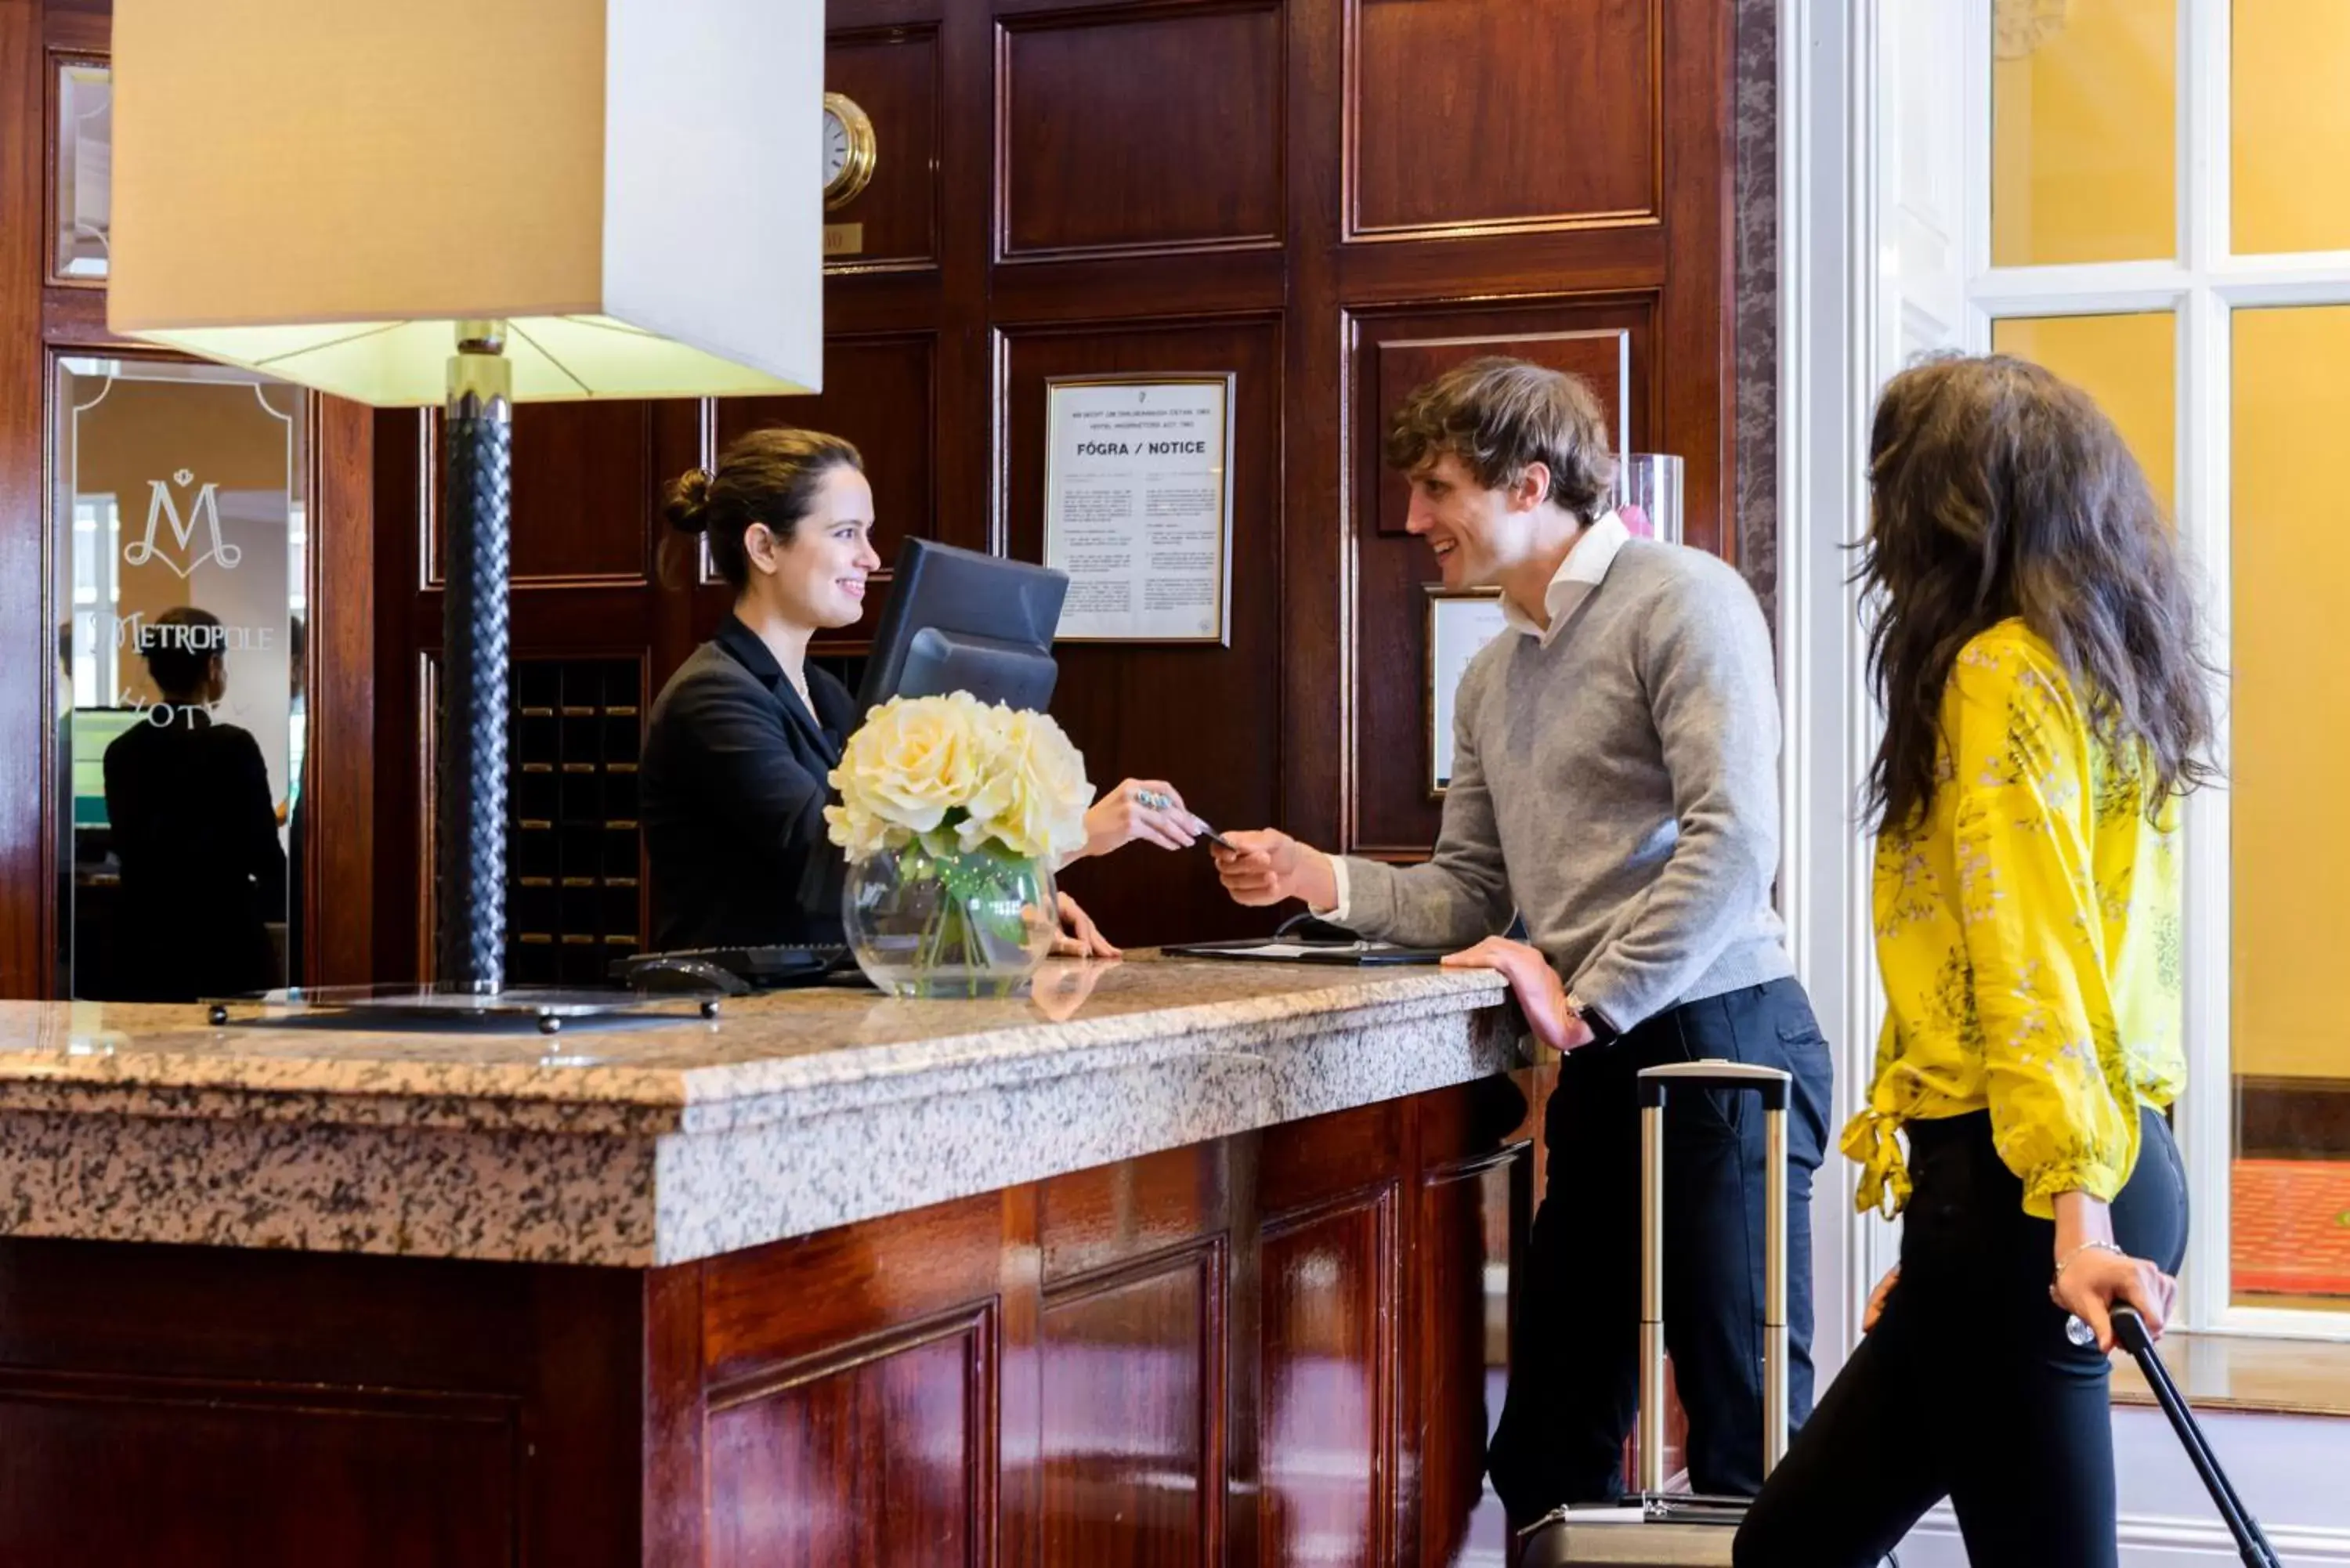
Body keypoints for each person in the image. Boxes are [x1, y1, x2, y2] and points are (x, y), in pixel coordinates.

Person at [1209, 356, 1832, 1521]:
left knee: (1749, 1442)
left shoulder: (1684, 597)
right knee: (1547, 1453)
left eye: (1438, 488)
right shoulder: (1495, 670)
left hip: (1721, 1043)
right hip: (1602, 1063)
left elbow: (1737, 838)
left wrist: (1588, 1003)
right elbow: (1470, 892)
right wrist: (1316, 875)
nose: (1413, 520)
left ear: (1531, 483)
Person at [1734, 355, 2212, 1568]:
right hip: (2073, 1167)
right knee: (1791, 1546)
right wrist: (1950, 1256)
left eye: (1895, 486)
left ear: (1952, 505)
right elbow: (2109, 964)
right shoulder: (2102, 666)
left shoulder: (1997, 672)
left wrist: (2063, 1223)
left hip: (2033, 1190)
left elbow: (2033, 961)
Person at [642, 428, 1180, 958]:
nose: (871, 558)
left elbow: (899, 849)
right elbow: (840, 876)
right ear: (763, 547)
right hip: (737, 1020)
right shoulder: (712, 696)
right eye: (845, 533)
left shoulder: (824, 693)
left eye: (867, 533)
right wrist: (1071, 838)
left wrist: (1007, 903)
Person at [103, 605, 287, 1001]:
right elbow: (266, 859)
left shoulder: (121, 751)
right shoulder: (234, 746)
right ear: (212, 666)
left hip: (144, 953)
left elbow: (132, 847)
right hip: (223, 951)